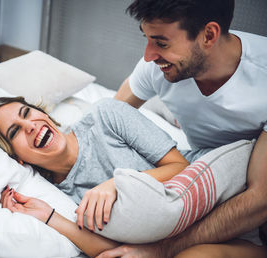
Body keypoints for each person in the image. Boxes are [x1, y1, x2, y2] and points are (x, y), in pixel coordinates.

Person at [98, 0, 267, 257]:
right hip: (210, 174)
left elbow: (260, 200)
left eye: (161, 43)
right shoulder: (156, 68)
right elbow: (105, 121)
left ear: (209, 35)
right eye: (147, 38)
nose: (148, 55)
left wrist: (160, 250)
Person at [0, 96, 190, 257]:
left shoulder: (105, 116)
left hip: (202, 186)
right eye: (15, 131)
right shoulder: (56, 195)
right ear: (16, 158)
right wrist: (48, 217)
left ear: (42, 113)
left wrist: (117, 184)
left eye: (26, 113)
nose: (30, 126)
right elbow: (116, 252)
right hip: (178, 238)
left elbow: (181, 166)